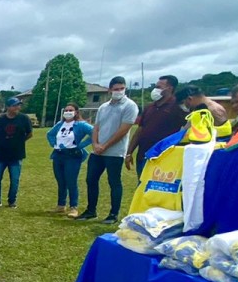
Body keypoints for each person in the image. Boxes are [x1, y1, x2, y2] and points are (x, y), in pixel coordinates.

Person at [76, 77, 138, 224]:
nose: (119, 91)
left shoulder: (130, 106)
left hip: (115, 152)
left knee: (114, 181)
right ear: (110, 90)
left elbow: (124, 129)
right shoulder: (103, 107)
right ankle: (91, 211)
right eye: (116, 89)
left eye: (121, 88)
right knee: (91, 180)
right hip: (97, 151)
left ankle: (113, 214)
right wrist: (96, 144)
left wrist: (106, 145)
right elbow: (96, 127)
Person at [127, 74, 182, 177]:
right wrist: (129, 152)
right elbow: (140, 130)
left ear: (169, 88)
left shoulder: (178, 107)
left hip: (163, 157)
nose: (155, 90)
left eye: (158, 87)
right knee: (142, 186)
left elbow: (189, 126)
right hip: (144, 155)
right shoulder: (150, 107)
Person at [47, 103, 94, 217]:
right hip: (58, 155)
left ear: (76, 112)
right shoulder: (60, 124)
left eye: (71, 110)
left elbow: (94, 133)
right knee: (61, 181)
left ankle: (74, 207)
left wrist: (81, 145)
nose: (68, 112)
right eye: (66, 110)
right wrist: (54, 144)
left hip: (72, 155)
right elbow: (49, 134)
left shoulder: (81, 125)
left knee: (71, 181)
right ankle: (61, 205)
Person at [0, 98, 32, 208]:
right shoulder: (0, 120)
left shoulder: (24, 119)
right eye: (15, 105)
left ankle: (12, 201)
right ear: (8, 107)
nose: (18, 107)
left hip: (16, 155)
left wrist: (18, 143)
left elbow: (29, 134)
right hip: (0, 155)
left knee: (15, 179)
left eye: (18, 105)